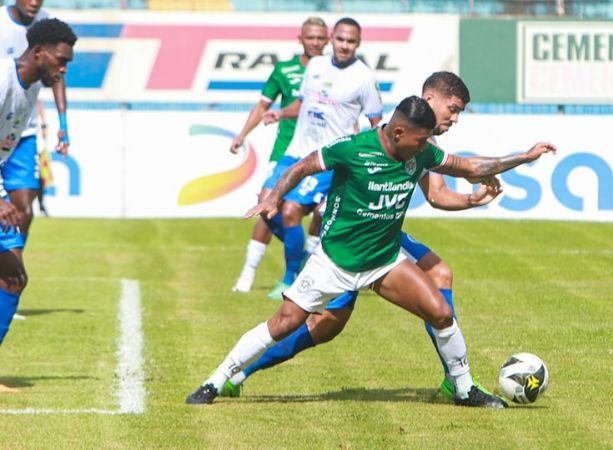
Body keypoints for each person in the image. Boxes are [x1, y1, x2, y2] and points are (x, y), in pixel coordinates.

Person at [186, 95, 556, 407]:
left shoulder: (422, 152)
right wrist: (272, 196)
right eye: (421, 139)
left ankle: (463, 389)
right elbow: (302, 166)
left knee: (441, 312)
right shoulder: (353, 150)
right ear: (398, 132)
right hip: (333, 263)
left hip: (383, 262)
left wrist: (523, 158)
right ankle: (217, 380)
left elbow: (471, 167)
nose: (426, 146)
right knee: (286, 323)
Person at [218, 72, 497, 401]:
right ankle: (238, 371)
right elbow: (327, 162)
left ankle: (456, 378)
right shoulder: (405, 133)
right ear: (430, 100)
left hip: (380, 234)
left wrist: (470, 200)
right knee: (322, 326)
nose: (455, 117)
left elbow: (437, 195)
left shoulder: (422, 141)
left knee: (439, 274)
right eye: (453, 109)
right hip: (351, 237)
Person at [259, 16, 383, 300]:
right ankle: (304, 251)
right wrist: (280, 112)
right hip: (295, 151)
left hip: (326, 158)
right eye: (340, 39)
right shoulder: (315, 65)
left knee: (290, 211)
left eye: (351, 42)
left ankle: (291, 278)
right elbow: (302, 104)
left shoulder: (364, 78)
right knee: (265, 205)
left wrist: (374, 160)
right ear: (331, 38)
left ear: (358, 43)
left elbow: (377, 124)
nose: (344, 46)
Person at [0, 18, 76, 393]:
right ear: (38, 53)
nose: (63, 70)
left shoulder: (29, 90)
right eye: (61, 61)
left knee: (13, 278)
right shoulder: (2, 81)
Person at [230, 17, 329, 293]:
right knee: (266, 206)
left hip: (319, 152)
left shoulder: (331, 71)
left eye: (321, 38)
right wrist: (242, 134)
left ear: (327, 40)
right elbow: (263, 105)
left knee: (303, 211)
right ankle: (251, 271)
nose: (316, 43)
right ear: (300, 39)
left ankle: (297, 269)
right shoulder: (284, 70)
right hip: (286, 149)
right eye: (311, 37)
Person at [0, 0, 71, 249]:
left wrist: (63, 122)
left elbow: (58, 76)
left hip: (21, 132)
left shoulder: (48, 23)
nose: (34, 2)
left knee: (24, 211)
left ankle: (11, 261)